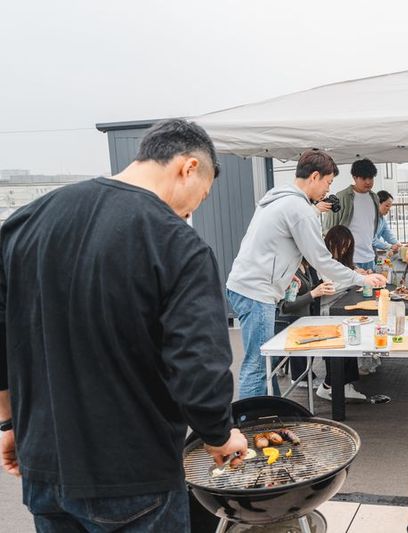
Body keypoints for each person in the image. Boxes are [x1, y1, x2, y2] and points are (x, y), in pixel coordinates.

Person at [0, 119, 248, 531]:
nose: (190, 211)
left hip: (43, 463)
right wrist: (220, 436)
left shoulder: (28, 221)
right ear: (188, 168)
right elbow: (197, 363)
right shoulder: (176, 242)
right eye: (199, 197)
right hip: (133, 475)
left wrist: (9, 423)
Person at [227, 150, 386, 399]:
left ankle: (272, 414)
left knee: (264, 365)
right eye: (328, 182)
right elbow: (322, 260)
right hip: (257, 291)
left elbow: (272, 242)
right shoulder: (298, 208)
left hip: (246, 285)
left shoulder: (276, 198)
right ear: (314, 176)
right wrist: (362, 278)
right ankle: (250, 425)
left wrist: (285, 270)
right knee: (257, 367)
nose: (327, 189)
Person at [315, 225, 369, 401]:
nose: (344, 249)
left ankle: (344, 384)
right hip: (327, 311)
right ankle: (329, 386)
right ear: (331, 242)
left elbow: (347, 274)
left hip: (341, 308)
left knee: (350, 344)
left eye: (347, 246)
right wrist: (354, 278)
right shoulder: (323, 261)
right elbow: (330, 287)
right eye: (342, 245)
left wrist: (357, 273)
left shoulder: (340, 262)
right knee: (342, 348)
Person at [277, 260, 335, 389]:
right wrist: (314, 293)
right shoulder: (291, 269)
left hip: (304, 318)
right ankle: (300, 377)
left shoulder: (306, 266)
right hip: (293, 320)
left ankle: (303, 373)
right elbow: (287, 305)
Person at [323, 158, 381, 271]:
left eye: (371, 178)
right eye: (364, 178)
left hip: (370, 258)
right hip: (348, 260)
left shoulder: (375, 198)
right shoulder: (341, 197)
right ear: (354, 177)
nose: (368, 182)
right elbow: (328, 229)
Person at [372, 190, 401, 256]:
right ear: (378, 203)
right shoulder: (370, 218)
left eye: (390, 207)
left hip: (371, 251)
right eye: (387, 206)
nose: (388, 209)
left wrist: (398, 244)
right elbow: (372, 239)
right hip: (361, 253)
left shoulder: (382, 219)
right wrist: (389, 246)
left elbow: (387, 234)